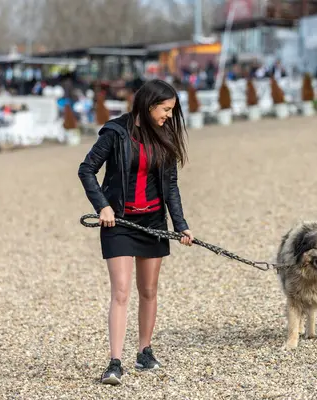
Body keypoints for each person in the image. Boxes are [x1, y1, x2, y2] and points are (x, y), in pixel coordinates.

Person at [78, 79, 194, 385]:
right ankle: (114, 362)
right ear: (149, 103)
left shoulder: (164, 136)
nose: (169, 116)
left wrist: (181, 225)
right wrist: (103, 206)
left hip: (153, 223)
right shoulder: (115, 132)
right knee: (121, 291)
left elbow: (170, 186)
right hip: (118, 223)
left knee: (149, 291)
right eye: (166, 109)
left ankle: (144, 352)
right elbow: (86, 169)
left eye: (172, 110)